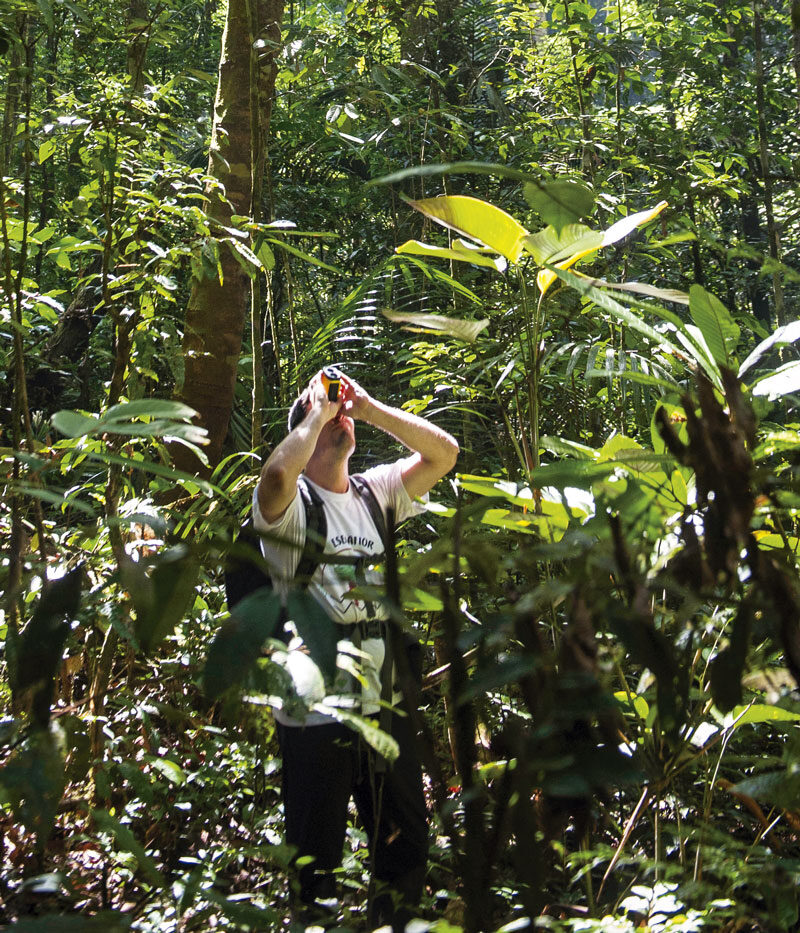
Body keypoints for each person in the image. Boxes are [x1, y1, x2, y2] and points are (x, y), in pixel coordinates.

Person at [252, 369, 459, 931]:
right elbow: (274, 474)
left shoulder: (375, 492)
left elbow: (445, 454)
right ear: (304, 426)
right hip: (314, 712)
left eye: (338, 410)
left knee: (406, 847)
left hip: (384, 704)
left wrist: (368, 408)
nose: (336, 412)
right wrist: (318, 411)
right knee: (315, 863)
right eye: (321, 410)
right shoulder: (291, 504)